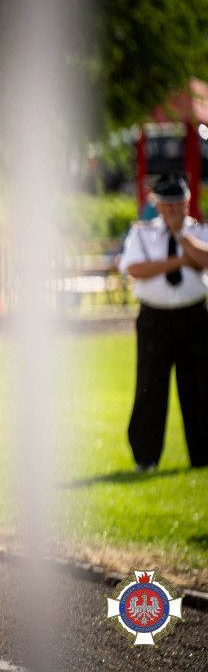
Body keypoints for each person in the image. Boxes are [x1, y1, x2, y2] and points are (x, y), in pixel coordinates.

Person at [117, 174, 208, 472]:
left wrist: (182, 236)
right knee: (150, 388)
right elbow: (136, 268)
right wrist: (180, 261)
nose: (173, 210)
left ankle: (202, 455)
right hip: (154, 319)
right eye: (167, 205)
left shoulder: (200, 230)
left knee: (198, 387)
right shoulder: (142, 233)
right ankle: (146, 457)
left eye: (178, 204)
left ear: (187, 203)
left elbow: (205, 259)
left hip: (193, 317)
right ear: (157, 205)